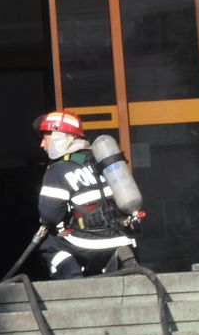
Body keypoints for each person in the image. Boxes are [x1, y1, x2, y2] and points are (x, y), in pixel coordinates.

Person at [34, 110, 137, 279]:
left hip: (87, 244)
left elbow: (50, 217)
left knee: (50, 245)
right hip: (122, 237)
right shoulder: (101, 161)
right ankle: (118, 260)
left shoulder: (58, 169)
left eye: (45, 137)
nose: (42, 144)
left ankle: (73, 280)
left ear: (58, 136)